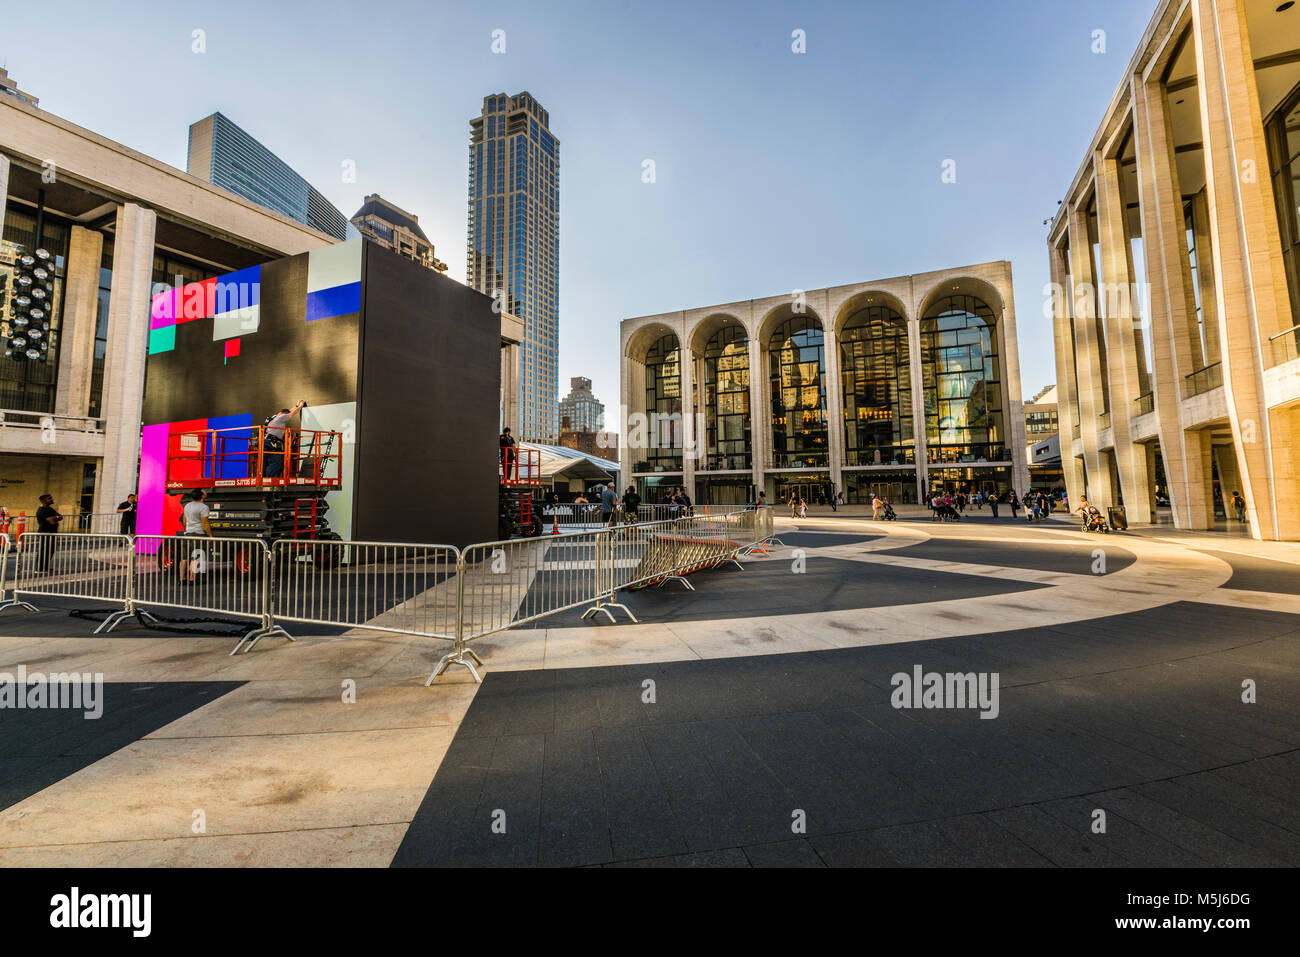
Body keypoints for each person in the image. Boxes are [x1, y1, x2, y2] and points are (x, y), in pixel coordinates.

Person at [263, 400, 307, 478]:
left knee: (263, 462)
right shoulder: (281, 418)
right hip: (273, 444)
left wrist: (296, 405)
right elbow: (291, 414)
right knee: (276, 462)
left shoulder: (275, 417)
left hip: (266, 442)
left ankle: (263, 480)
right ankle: (268, 480)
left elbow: (289, 411)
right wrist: (300, 406)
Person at [180, 489, 213, 584]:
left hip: (187, 534)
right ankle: (192, 579)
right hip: (198, 534)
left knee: (184, 558)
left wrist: (188, 529)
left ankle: (182, 579)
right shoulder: (204, 507)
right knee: (195, 558)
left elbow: (184, 520)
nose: (205, 492)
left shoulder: (187, 505)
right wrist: (210, 535)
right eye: (204, 491)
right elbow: (205, 523)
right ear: (202, 495)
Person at [32, 493, 62, 572]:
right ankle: (39, 568)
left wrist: (55, 517)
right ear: (44, 501)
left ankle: (45, 567)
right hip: (44, 533)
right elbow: (52, 521)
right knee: (44, 550)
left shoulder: (50, 509)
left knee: (50, 550)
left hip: (52, 533)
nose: (52, 499)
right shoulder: (41, 511)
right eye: (49, 498)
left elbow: (60, 517)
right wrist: (56, 518)